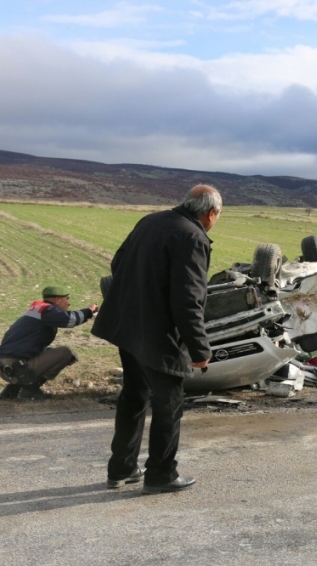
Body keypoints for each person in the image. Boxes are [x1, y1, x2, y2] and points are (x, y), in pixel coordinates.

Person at [92, 184, 221, 494]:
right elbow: (188, 299)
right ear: (210, 213)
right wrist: (199, 348)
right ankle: (161, 473)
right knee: (169, 404)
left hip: (128, 326)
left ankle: (122, 467)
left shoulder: (151, 220)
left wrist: (141, 291)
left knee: (134, 396)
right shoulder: (192, 237)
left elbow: (117, 263)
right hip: (158, 335)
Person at [0, 286, 99, 400]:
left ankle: (11, 391)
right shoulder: (47, 311)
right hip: (15, 366)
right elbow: (70, 319)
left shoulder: (38, 310)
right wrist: (89, 311)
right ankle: (29, 390)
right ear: (57, 300)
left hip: (8, 365)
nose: (68, 303)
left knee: (59, 354)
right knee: (65, 353)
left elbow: (31, 345)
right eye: (67, 299)